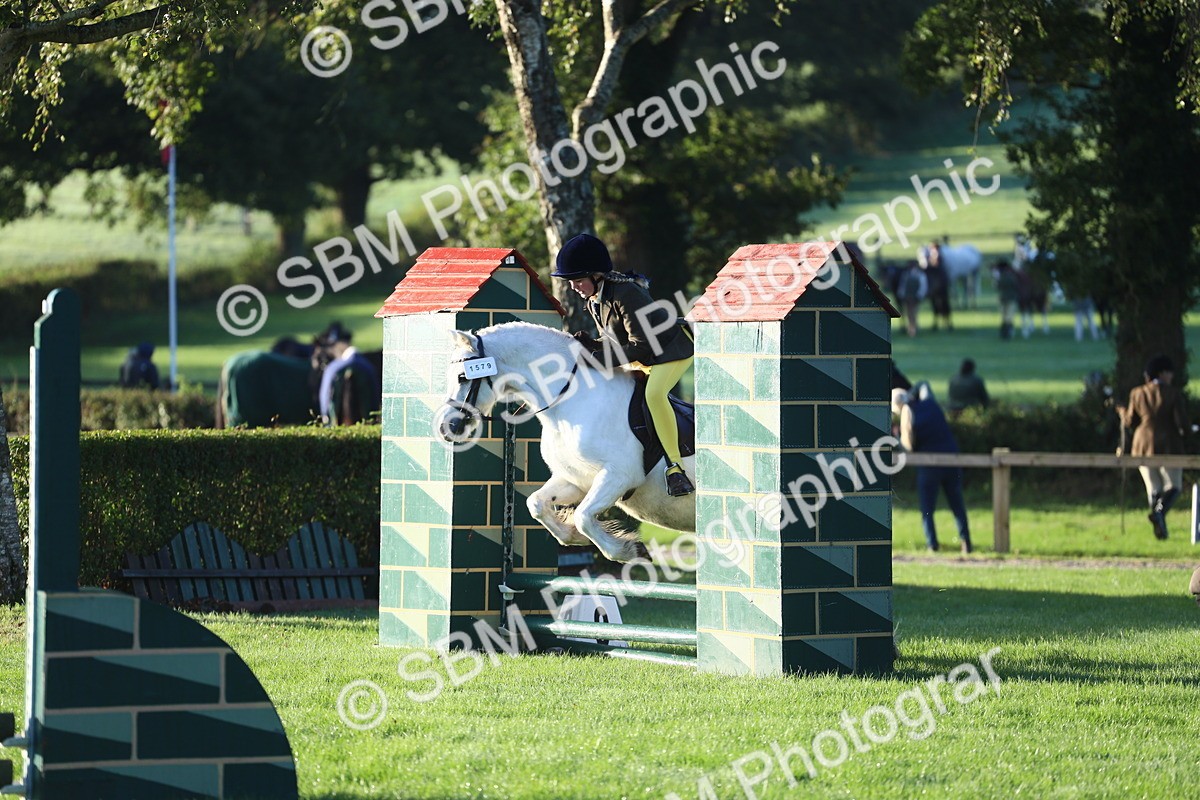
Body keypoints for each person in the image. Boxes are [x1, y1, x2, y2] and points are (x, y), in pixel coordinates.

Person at [550, 233, 696, 496]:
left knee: (654, 395)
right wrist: (590, 345)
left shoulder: (626, 294)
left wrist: (598, 359)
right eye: (570, 281)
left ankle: (676, 469)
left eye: (578, 280)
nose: (573, 287)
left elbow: (641, 346)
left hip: (672, 350)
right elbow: (615, 342)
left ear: (596, 275)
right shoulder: (596, 300)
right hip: (646, 356)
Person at [1117, 355, 1189, 540]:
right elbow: (1182, 424)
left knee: (1154, 488)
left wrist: (1120, 410)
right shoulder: (1173, 393)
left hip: (1142, 445)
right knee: (1174, 486)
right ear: (1163, 373)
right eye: (1169, 373)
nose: (1171, 377)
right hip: (1169, 445)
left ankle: (1159, 522)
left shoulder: (1137, 393)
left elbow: (1130, 421)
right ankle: (1159, 515)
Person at [896, 382, 972, 554]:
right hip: (951, 460)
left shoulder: (908, 417)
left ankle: (932, 544)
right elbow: (924, 383)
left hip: (929, 466)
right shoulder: (930, 403)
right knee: (957, 505)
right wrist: (910, 393)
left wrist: (897, 437)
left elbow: (908, 447)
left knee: (927, 509)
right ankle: (966, 542)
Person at [896, 262, 926, 338]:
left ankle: (914, 328)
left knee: (914, 312)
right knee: (909, 313)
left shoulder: (920, 275)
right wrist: (901, 294)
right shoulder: (906, 274)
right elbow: (903, 285)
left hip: (915, 297)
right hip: (908, 297)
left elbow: (923, 285)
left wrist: (919, 295)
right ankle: (911, 328)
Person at [994, 260, 1019, 340]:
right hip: (1010, 298)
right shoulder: (1012, 274)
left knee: (1006, 317)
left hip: (1005, 298)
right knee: (1008, 316)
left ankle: (1006, 332)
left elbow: (998, 286)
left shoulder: (1003, 276)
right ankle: (1007, 332)